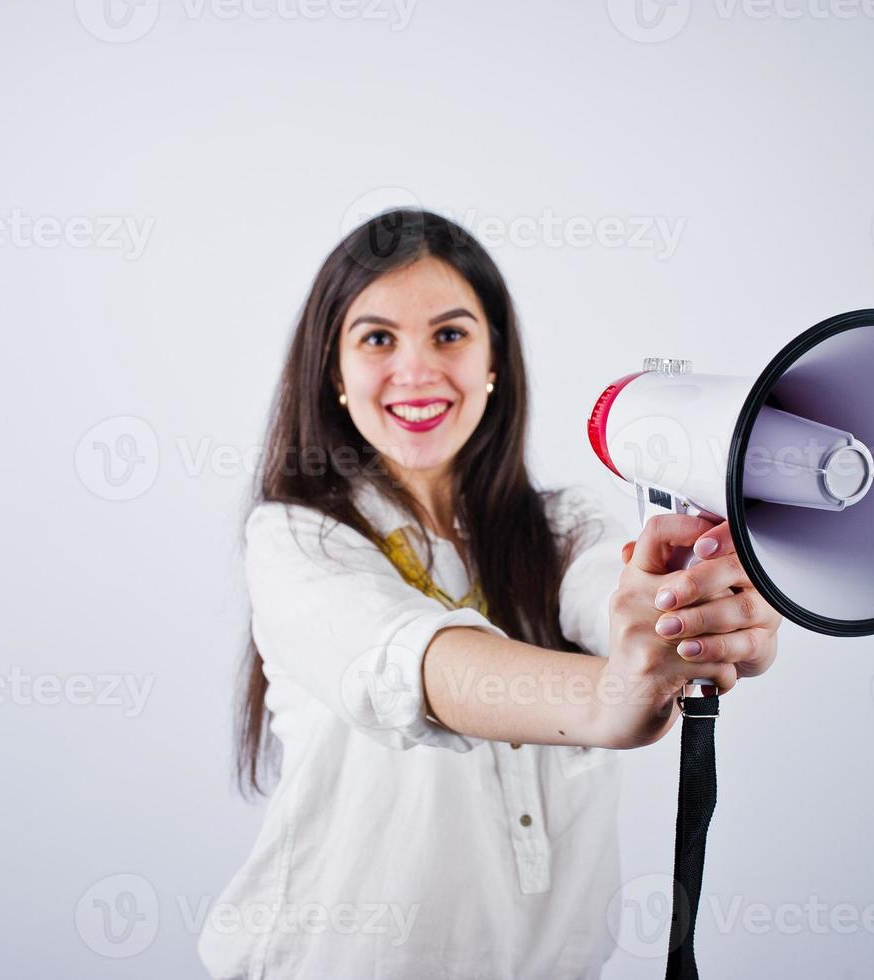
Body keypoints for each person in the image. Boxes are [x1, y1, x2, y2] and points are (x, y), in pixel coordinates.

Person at [200, 209, 782, 979]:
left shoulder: (565, 529)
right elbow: (415, 664)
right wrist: (609, 697)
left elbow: (620, 597)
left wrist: (710, 609)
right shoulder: (296, 540)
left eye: (449, 334)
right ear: (333, 373)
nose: (416, 370)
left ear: (493, 361)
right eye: (377, 338)